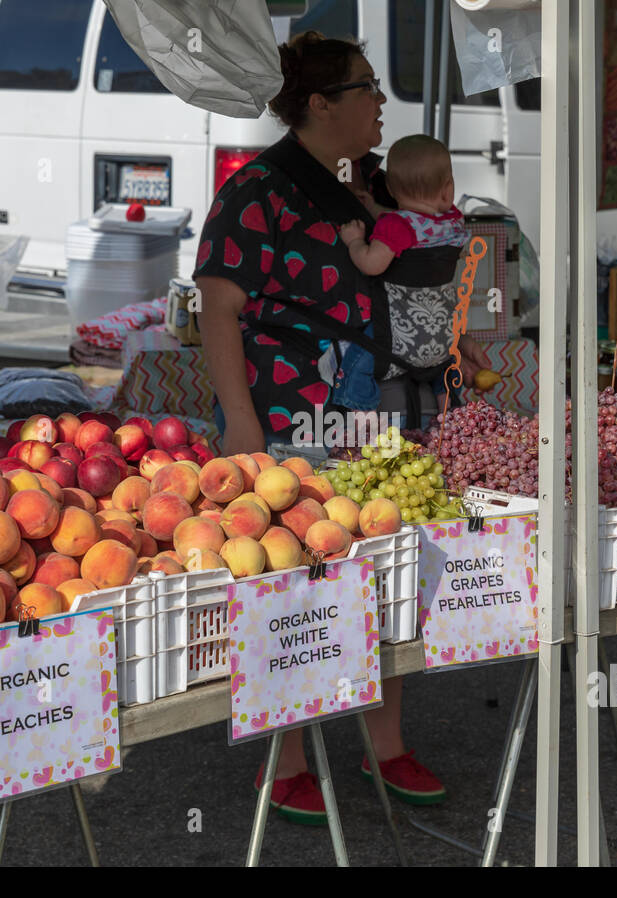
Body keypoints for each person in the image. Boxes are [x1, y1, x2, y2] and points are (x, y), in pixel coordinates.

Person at [194, 31, 491, 824]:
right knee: (294, 579)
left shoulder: (368, 183)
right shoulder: (256, 191)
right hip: (286, 412)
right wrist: (240, 425)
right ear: (322, 103)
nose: (381, 102)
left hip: (374, 408)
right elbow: (217, 308)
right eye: (367, 87)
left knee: (384, 565)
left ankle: (385, 743)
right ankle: (286, 756)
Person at [328, 133, 470, 413]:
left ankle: (358, 410)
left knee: (356, 356)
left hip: (397, 336)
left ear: (391, 188)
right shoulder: (454, 221)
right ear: (447, 189)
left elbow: (372, 264)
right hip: (442, 335)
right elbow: (417, 220)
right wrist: (376, 210)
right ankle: (449, 407)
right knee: (444, 366)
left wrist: (355, 241)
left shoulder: (395, 227)